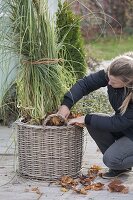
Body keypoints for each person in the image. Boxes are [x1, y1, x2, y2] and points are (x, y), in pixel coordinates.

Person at [57, 52, 133, 179]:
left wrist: (86, 118)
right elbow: (85, 84)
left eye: (113, 82)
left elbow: (118, 123)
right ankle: (120, 167)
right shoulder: (113, 73)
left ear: (128, 82)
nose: (108, 83)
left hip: (127, 128)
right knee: (93, 123)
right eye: (108, 79)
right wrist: (66, 104)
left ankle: (116, 161)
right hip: (126, 128)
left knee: (110, 160)